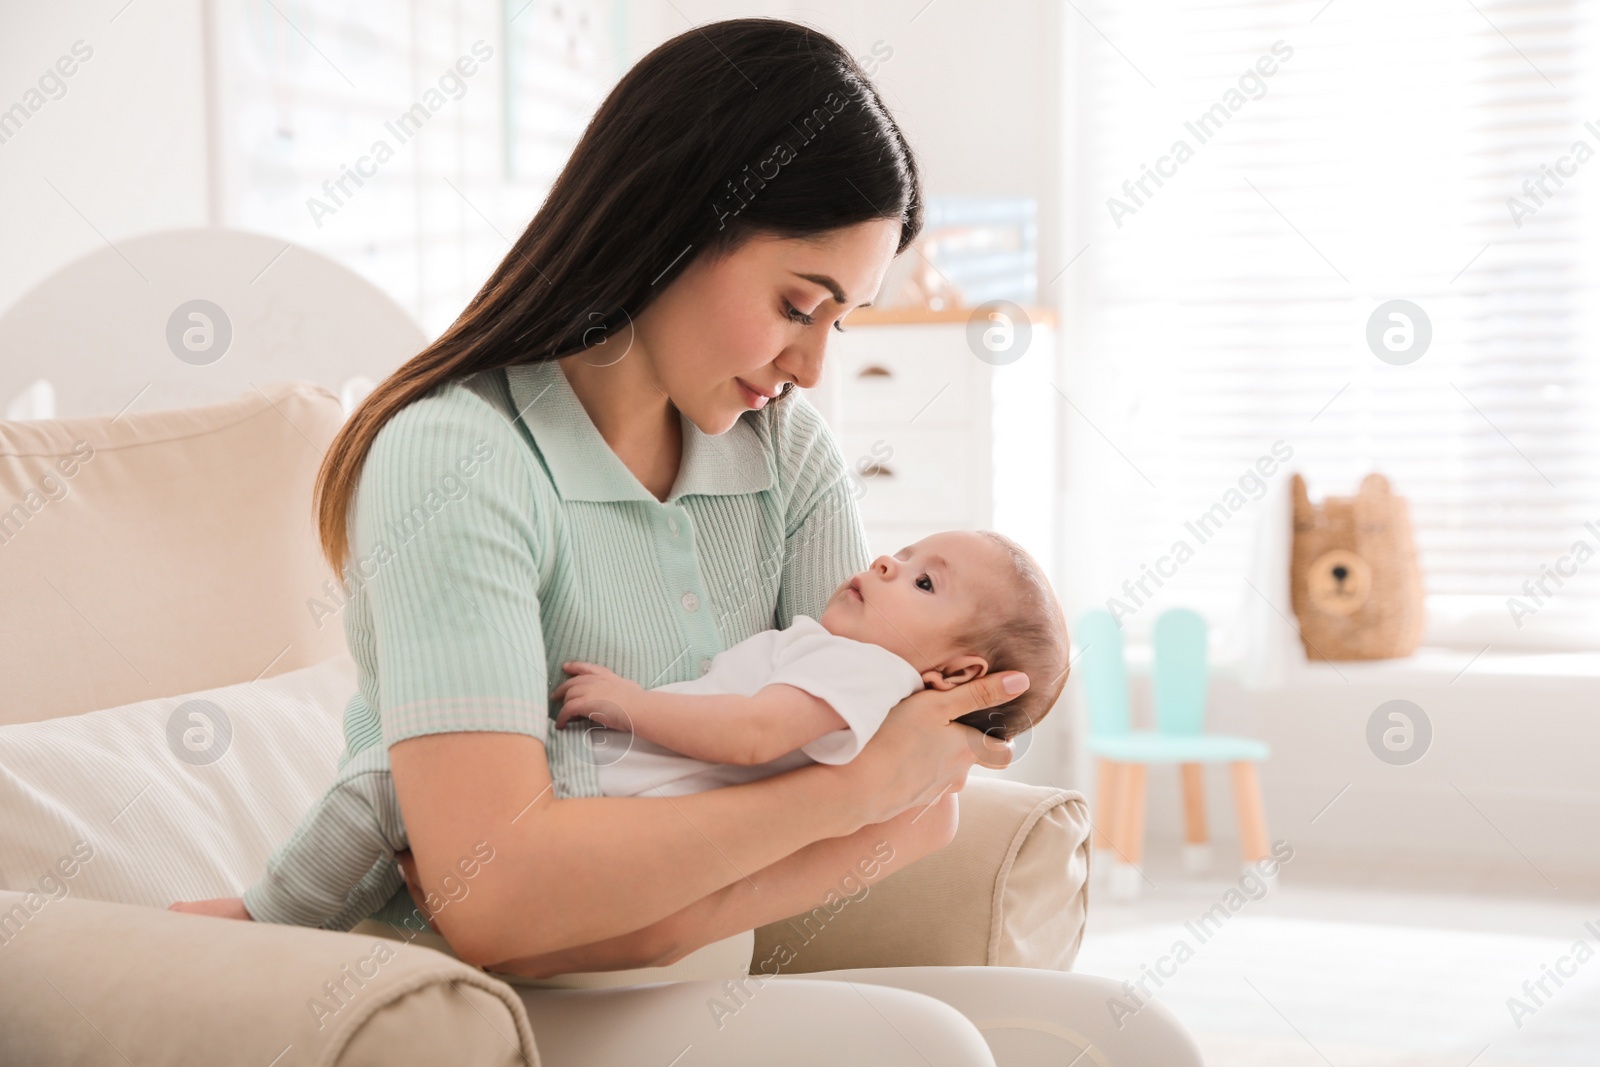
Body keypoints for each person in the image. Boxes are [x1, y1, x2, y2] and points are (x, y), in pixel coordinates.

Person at [177, 17, 1201, 1064]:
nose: (810, 368)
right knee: (924, 1048)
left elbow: (924, 806)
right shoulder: (459, 458)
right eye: (798, 305)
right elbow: (494, 895)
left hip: (689, 984)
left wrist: (678, 891)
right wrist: (840, 795)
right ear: (671, 224)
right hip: (465, 1001)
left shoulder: (785, 455)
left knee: (1129, 1037)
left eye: (837, 324)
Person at [169, 530, 1070, 930]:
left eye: (923, 583)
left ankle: (267, 918)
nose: (887, 559)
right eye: (907, 551)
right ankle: (307, 917)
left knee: (385, 791)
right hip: (606, 790)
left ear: (953, 676)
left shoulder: (867, 675)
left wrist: (634, 702)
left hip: (610, 794)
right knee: (396, 813)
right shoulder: (853, 662)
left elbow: (755, 732)